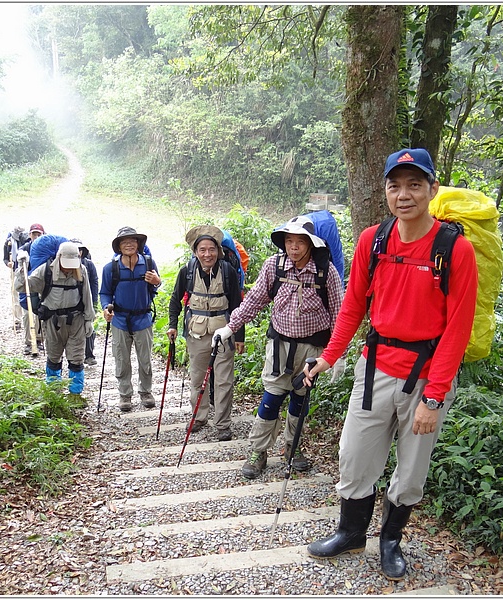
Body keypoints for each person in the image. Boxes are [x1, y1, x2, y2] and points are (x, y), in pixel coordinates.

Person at [303, 148, 478, 580]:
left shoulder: (454, 250)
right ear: (385, 190)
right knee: (354, 454)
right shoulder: (373, 240)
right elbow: (353, 308)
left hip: (427, 374)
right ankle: (351, 532)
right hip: (375, 366)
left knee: (412, 468)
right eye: (395, 185)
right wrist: (330, 356)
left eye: (414, 184)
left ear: (432, 190)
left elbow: (457, 329)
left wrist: (434, 398)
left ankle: (390, 542)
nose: (404, 194)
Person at [213, 216, 344, 478]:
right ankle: (259, 450)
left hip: (311, 349)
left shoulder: (324, 270)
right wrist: (230, 327)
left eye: (299, 242)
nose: (293, 247)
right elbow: (254, 300)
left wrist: (336, 354)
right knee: (271, 398)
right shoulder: (275, 266)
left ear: (310, 244)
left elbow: (339, 312)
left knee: (300, 399)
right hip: (279, 345)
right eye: (289, 241)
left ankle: (292, 448)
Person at [167, 225, 244, 441]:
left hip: (224, 332)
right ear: (195, 252)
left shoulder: (227, 271)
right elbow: (176, 300)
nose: (207, 254)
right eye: (202, 250)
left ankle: (223, 424)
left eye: (211, 249)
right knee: (198, 379)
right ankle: (198, 418)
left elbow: (237, 304)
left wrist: (239, 336)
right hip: (197, 333)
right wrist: (172, 325)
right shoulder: (187, 271)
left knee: (224, 380)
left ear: (218, 251)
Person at [15, 241, 96, 396]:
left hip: (76, 321)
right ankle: (54, 393)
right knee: (53, 357)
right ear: (59, 257)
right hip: (52, 321)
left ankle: (75, 395)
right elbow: (22, 286)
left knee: (77, 359)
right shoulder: (45, 271)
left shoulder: (82, 270)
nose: (69, 267)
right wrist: (21, 267)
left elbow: (87, 295)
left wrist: (89, 320)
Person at [99, 227, 161, 411]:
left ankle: (146, 392)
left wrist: (157, 281)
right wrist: (105, 308)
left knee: (145, 358)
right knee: (121, 358)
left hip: (143, 318)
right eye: (124, 241)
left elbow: (155, 288)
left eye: (133, 241)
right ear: (118, 246)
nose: (129, 244)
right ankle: (125, 395)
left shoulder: (149, 263)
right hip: (120, 319)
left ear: (138, 244)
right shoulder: (111, 268)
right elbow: (105, 293)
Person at [18, 223, 46, 354]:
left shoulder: (46, 248)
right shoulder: (24, 249)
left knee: (40, 312)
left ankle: (39, 340)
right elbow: (17, 272)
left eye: (39, 234)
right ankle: (29, 342)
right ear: (30, 235)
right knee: (27, 314)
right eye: (34, 234)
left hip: (40, 285)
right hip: (27, 286)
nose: (36, 236)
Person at [72, 240, 99, 366]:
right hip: (72, 304)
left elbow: (94, 283)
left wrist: (93, 303)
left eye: (79, 249)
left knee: (89, 329)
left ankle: (89, 355)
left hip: (87, 301)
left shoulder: (89, 265)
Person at [3, 226, 30, 331]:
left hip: (27, 270)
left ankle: (26, 319)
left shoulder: (27, 242)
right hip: (15, 270)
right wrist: (8, 263)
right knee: (15, 294)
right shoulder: (9, 242)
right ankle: (17, 320)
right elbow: (5, 258)